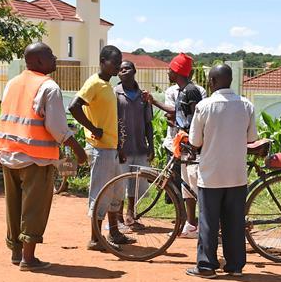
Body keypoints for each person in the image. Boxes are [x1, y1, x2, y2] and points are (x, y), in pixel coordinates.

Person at [0, 43, 88, 272]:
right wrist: (79, 150)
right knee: (34, 208)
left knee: (13, 206)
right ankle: (29, 259)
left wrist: (1, 151)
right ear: (37, 61)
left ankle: (16, 253)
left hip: (10, 155)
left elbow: (6, 117)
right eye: (50, 55)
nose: (55, 58)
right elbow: (57, 127)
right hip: (36, 159)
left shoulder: (11, 84)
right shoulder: (49, 87)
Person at [186, 64, 257, 278]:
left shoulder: (204, 106)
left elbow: (194, 141)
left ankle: (207, 266)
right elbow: (251, 138)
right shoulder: (246, 105)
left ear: (213, 82)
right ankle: (235, 266)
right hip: (236, 174)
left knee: (208, 222)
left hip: (211, 175)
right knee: (234, 222)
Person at [68, 45, 135, 251]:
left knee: (116, 192)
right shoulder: (94, 83)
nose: (117, 66)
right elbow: (74, 106)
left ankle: (113, 232)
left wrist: (119, 147)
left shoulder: (108, 86)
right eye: (114, 63)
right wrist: (92, 129)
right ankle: (95, 239)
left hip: (112, 148)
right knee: (100, 193)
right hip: (101, 149)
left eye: (119, 62)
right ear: (102, 61)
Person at [145, 53, 205, 238]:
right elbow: (180, 114)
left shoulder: (191, 91)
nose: (167, 72)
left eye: (170, 69)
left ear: (177, 71)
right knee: (187, 185)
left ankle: (204, 226)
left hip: (192, 147)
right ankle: (192, 225)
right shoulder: (182, 90)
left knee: (196, 186)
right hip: (184, 146)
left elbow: (197, 117)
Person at [114, 61, 155, 228]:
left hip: (139, 146)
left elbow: (148, 123)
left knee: (136, 183)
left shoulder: (143, 96)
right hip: (121, 148)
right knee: (119, 183)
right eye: (121, 68)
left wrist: (151, 145)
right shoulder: (114, 93)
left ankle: (131, 214)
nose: (124, 70)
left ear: (134, 71)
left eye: (127, 68)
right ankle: (117, 217)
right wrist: (117, 145)